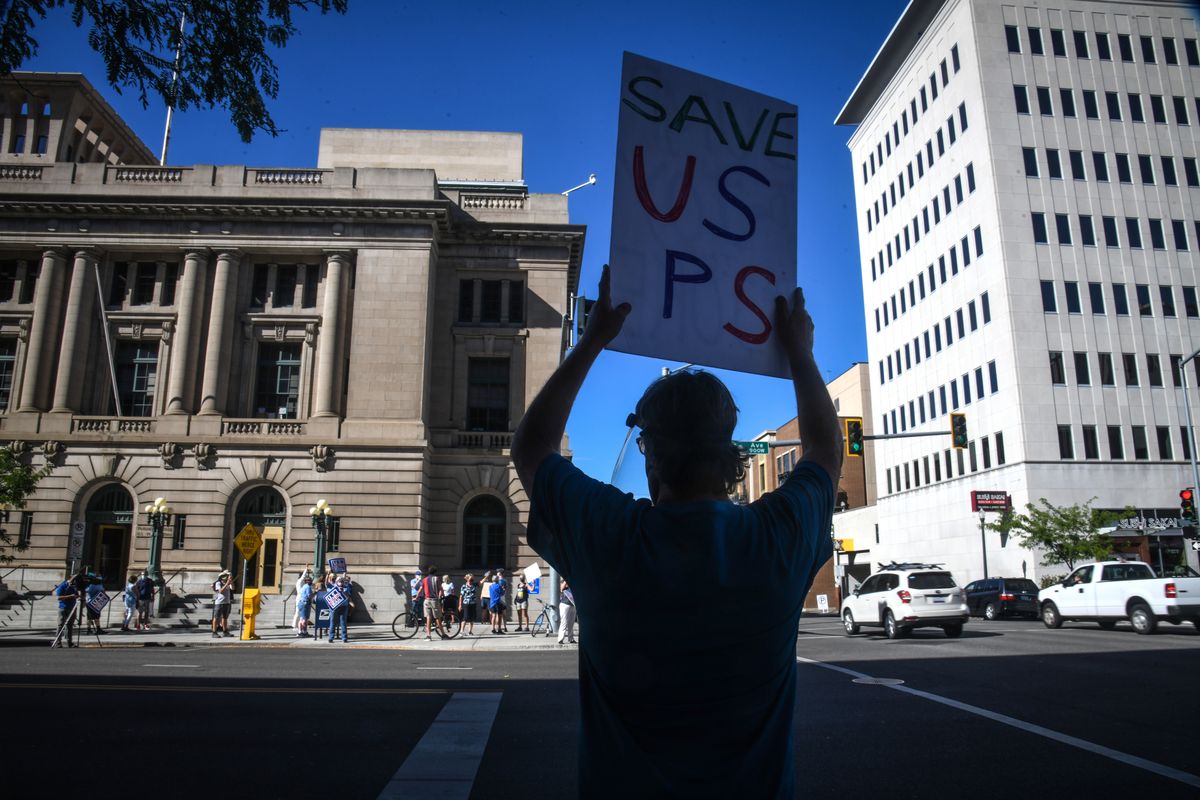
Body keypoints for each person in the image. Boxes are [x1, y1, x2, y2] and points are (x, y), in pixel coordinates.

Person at [510, 267, 839, 798]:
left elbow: (531, 448)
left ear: (651, 457)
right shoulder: (776, 537)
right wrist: (799, 351)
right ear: (732, 455)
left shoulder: (610, 537)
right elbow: (825, 450)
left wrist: (593, 340)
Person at [416, 566, 445, 641]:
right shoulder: (436, 579)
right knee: (438, 618)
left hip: (426, 600)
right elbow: (441, 589)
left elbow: (420, 589)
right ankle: (443, 634)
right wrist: (442, 596)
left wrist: (416, 597)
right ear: (435, 572)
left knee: (428, 618)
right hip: (434, 600)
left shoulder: (424, 579)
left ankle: (428, 636)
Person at [54, 572, 80, 647]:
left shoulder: (74, 586)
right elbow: (59, 598)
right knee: (60, 625)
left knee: (70, 625)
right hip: (63, 608)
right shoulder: (63, 586)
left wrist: (77, 596)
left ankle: (69, 642)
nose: (74, 582)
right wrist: (70, 596)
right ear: (70, 578)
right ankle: (58, 642)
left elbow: (77, 594)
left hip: (72, 608)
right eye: (74, 579)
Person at [327, 575, 352, 643]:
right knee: (332, 622)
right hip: (335, 608)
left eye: (341, 581)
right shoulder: (333, 588)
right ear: (336, 582)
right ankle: (331, 637)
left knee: (343, 623)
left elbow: (348, 597)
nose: (340, 582)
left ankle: (344, 638)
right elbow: (328, 595)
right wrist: (328, 575)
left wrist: (343, 592)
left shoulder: (346, 588)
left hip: (344, 607)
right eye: (339, 581)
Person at [211, 570, 234, 638]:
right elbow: (220, 591)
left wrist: (231, 582)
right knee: (216, 617)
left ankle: (225, 631)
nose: (227, 577)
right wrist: (227, 583)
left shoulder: (228, 582)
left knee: (225, 617)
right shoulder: (218, 583)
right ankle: (214, 632)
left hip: (227, 602)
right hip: (219, 603)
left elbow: (233, 588)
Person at [292, 566, 313, 633]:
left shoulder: (303, 585)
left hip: (300, 599)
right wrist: (306, 570)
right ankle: (299, 629)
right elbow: (303, 577)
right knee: (302, 616)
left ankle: (298, 628)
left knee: (300, 615)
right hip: (302, 599)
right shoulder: (302, 583)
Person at [557, 578, 576, 645]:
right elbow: (561, 589)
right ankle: (560, 639)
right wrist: (566, 580)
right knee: (564, 622)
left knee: (571, 623)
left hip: (573, 604)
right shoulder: (563, 580)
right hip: (565, 604)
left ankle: (571, 638)